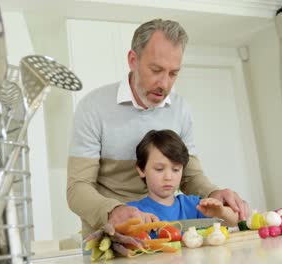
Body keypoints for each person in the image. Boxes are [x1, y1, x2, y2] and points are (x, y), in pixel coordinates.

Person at [67, 18, 249, 237]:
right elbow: (77, 189)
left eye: (173, 73)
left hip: (166, 237)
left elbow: (190, 175)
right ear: (133, 60)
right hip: (113, 237)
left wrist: (214, 193)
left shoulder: (180, 109)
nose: (164, 84)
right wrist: (113, 211)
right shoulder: (93, 107)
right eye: (156, 70)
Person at [127, 129, 238, 228]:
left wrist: (221, 212)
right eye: (159, 169)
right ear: (141, 170)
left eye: (176, 169)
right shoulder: (133, 211)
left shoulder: (195, 205)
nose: (168, 177)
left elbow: (234, 221)